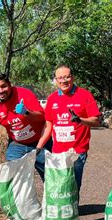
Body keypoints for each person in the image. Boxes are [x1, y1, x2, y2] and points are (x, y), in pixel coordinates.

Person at [37, 64, 101, 194]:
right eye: (60, 78)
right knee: (59, 186)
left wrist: (80, 120)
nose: (63, 81)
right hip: (58, 152)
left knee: (73, 186)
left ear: (72, 78)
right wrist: (38, 147)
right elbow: (49, 128)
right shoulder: (52, 99)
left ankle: (73, 212)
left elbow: (96, 121)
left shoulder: (84, 95)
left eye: (67, 77)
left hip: (77, 152)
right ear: (55, 80)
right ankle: (62, 212)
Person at [0, 73, 51, 180]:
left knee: (50, 178)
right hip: (17, 144)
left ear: (10, 85)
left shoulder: (24, 94)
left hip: (40, 143)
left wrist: (26, 113)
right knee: (15, 180)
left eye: (3, 86)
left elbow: (42, 118)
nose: (1, 91)